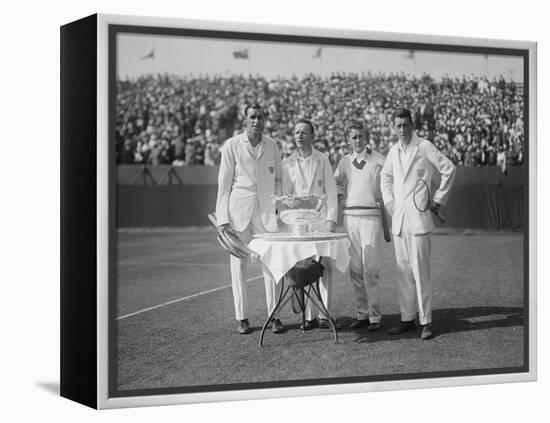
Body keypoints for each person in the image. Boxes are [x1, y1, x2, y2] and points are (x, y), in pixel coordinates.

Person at [380, 107, 456, 340]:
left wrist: (438, 200)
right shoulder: (393, 151)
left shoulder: (425, 146)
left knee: (420, 273)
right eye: (398, 125)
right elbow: (386, 178)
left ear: (412, 125)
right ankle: (406, 319)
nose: (402, 129)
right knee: (403, 273)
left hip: (420, 222)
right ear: (393, 127)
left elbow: (449, 169)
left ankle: (426, 322)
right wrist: (390, 203)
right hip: (400, 222)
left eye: (405, 125)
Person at [215, 103, 284, 335]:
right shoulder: (232, 145)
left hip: (265, 212)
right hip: (238, 212)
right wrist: (223, 219)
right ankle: (242, 317)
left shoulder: (272, 145)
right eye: (252, 117)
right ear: (245, 120)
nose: (256, 121)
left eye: (260, 117)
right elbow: (224, 186)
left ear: (265, 120)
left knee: (271, 264)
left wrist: (278, 206)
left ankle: (274, 315)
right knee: (238, 266)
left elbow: (278, 181)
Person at [282, 119, 338, 330]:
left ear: (312, 135)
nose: (299, 136)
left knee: (325, 267)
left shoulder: (322, 159)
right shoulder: (287, 163)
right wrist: (289, 222)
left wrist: (331, 219)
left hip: (321, 221)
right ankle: (309, 316)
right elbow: (287, 197)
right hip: (299, 225)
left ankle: (325, 314)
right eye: (296, 132)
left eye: (304, 132)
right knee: (303, 267)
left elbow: (331, 192)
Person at [334, 119, 386, 331]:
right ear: (348, 140)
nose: (358, 140)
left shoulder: (379, 159)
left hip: (371, 219)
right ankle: (362, 314)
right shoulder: (344, 161)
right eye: (354, 137)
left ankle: (375, 316)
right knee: (355, 270)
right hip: (350, 219)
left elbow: (388, 181)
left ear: (367, 137)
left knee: (370, 269)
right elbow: (336, 181)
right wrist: (340, 196)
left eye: (361, 136)